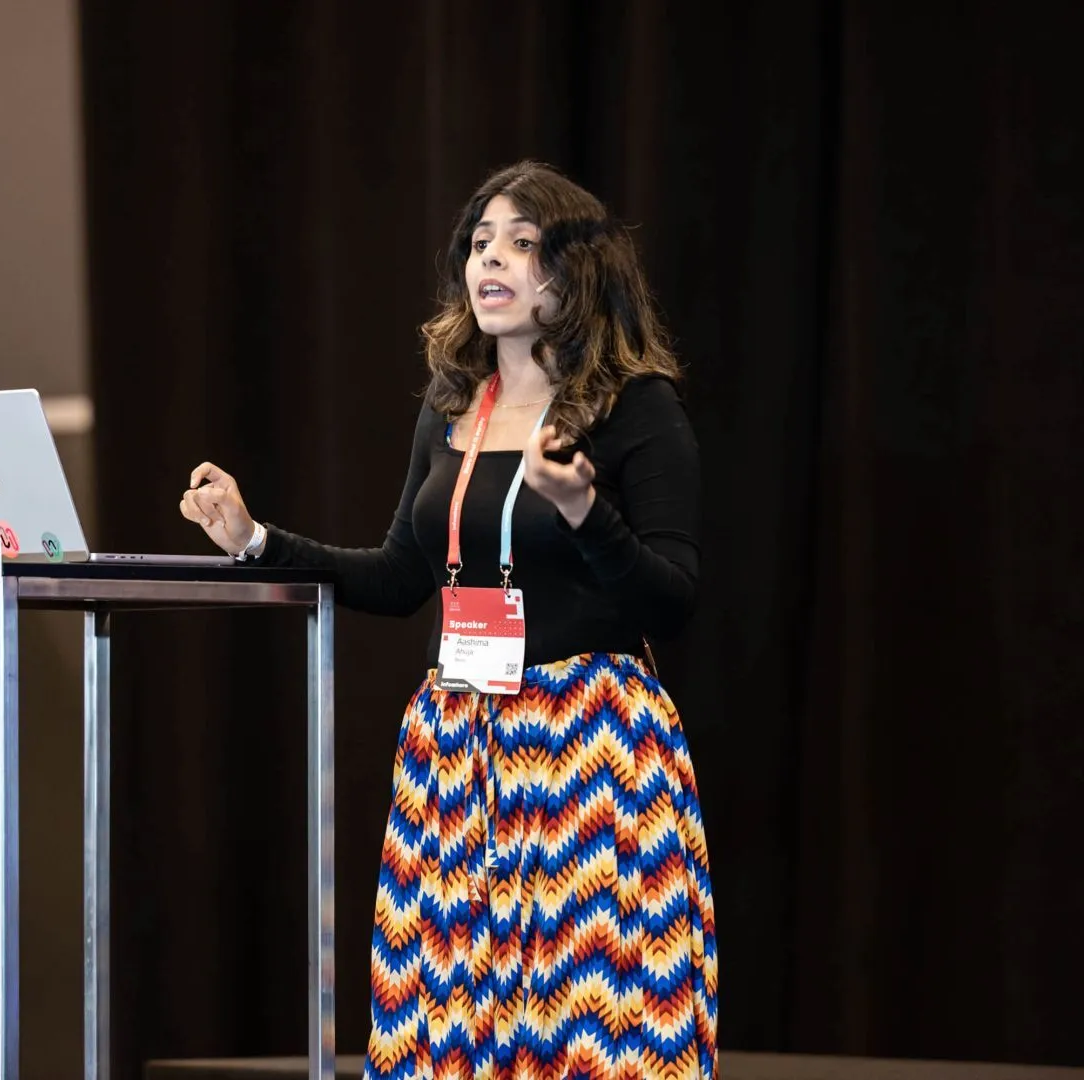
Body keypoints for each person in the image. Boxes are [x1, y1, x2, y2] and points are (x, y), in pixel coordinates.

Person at [180, 160, 717, 1079]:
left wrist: (587, 513)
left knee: (586, 1031)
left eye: (522, 242)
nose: (490, 261)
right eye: (479, 243)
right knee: (448, 1026)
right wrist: (255, 540)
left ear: (577, 271)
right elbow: (400, 577)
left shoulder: (636, 407)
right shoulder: (451, 405)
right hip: (456, 752)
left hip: (588, 750)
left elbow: (673, 600)